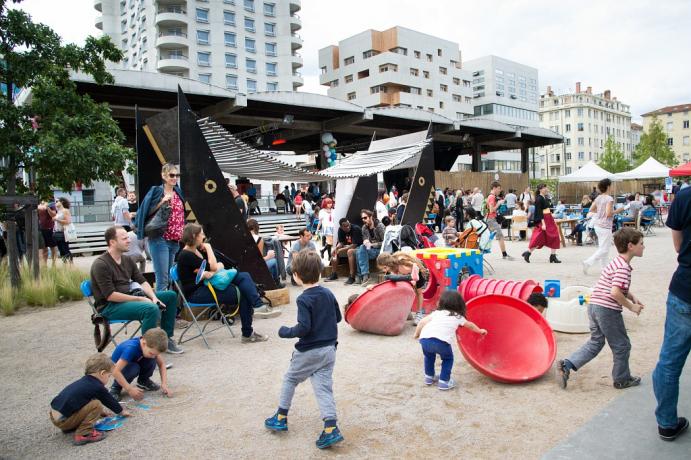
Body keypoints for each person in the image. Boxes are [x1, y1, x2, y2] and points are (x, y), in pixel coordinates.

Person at [264, 250, 344, 449]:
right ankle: (330, 428)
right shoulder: (328, 293)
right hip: (329, 350)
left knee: (290, 378)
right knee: (323, 387)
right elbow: (337, 318)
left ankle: (281, 417)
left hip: (309, 351)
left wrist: (286, 331)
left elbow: (304, 328)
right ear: (319, 272)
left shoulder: (303, 299)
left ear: (297, 276)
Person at [557, 228, 645, 390]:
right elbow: (615, 292)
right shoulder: (624, 267)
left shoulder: (616, 262)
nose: (643, 247)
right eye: (641, 244)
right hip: (607, 310)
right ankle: (622, 379)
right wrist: (631, 306)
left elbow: (615, 285)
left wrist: (632, 296)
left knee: (596, 342)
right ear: (631, 246)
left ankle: (567, 364)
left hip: (594, 305)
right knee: (622, 345)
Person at [90, 226, 182, 354]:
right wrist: (141, 298)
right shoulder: (101, 264)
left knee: (170, 296)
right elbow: (110, 295)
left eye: (128, 237)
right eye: (124, 238)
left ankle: (166, 339)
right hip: (110, 306)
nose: (129, 241)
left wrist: (153, 297)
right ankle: (146, 352)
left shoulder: (127, 259)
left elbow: (142, 281)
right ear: (112, 242)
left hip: (128, 298)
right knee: (150, 308)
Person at [177, 224, 275, 336]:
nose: (203, 236)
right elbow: (214, 266)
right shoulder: (186, 255)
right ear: (194, 236)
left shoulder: (194, 251)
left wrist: (214, 269)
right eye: (201, 234)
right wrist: (209, 248)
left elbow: (215, 267)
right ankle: (249, 330)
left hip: (208, 284)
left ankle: (258, 306)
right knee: (244, 292)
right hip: (197, 293)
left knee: (244, 276)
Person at [652, 185, 691, 441]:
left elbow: (678, 246)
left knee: (669, 361)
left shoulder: (686, 196)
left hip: (685, 289)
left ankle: (666, 422)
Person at [50, 353, 130, 446]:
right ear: (102, 373)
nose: (109, 378)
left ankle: (70, 426)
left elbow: (83, 402)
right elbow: (109, 400)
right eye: (109, 376)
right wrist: (121, 411)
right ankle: (84, 433)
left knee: (92, 403)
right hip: (64, 421)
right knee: (96, 404)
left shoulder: (85, 382)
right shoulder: (97, 386)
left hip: (56, 417)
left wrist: (101, 413)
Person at [414, 290, 487, 390]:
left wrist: (416, 334)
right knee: (448, 359)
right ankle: (444, 381)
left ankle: (429, 377)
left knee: (429, 357)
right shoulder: (457, 316)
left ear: (441, 302)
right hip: (441, 341)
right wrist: (480, 330)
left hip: (425, 339)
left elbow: (422, 322)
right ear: (459, 305)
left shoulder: (436, 313)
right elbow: (469, 325)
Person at [135, 163, 185, 291]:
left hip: (175, 240)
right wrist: (161, 202)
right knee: (162, 280)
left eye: (177, 175)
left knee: (169, 278)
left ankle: (167, 308)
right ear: (163, 175)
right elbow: (144, 212)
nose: (175, 178)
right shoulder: (157, 191)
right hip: (160, 238)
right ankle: (161, 309)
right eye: (172, 175)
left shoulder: (178, 192)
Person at [109, 328, 172, 401]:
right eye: (151, 353)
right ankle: (116, 388)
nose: (153, 356)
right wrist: (130, 389)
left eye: (155, 354)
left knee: (151, 359)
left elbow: (161, 364)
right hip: (119, 367)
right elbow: (115, 371)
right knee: (134, 368)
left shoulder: (150, 346)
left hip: (135, 360)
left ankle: (143, 381)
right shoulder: (131, 349)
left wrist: (164, 384)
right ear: (144, 343)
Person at [582, 178, 625, 274]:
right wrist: (620, 210)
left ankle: (604, 269)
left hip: (598, 225)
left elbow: (591, 209)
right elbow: (609, 214)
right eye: (611, 185)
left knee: (603, 248)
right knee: (604, 249)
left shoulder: (598, 198)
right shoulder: (609, 198)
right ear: (608, 186)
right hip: (605, 226)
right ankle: (588, 262)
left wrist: (600, 212)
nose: (612, 187)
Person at [377, 252, 429, 324]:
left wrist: (414, 279)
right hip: (407, 274)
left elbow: (415, 266)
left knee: (418, 292)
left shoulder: (401, 262)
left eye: (385, 268)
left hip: (418, 271)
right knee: (404, 291)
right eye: (382, 269)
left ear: (388, 263)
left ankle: (419, 313)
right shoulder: (391, 269)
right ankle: (407, 312)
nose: (384, 271)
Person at [522, 184, 561, 264]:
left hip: (548, 218)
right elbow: (539, 212)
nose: (546, 189)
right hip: (544, 220)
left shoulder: (544, 197)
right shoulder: (539, 199)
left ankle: (552, 256)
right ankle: (528, 252)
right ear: (540, 189)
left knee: (554, 236)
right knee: (540, 237)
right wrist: (543, 223)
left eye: (546, 187)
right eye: (544, 188)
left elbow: (547, 208)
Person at [324, 218, 363, 285]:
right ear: (341, 227)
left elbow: (354, 245)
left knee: (350, 251)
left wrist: (341, 250)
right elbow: (341, 242)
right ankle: (334, 274)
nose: (348, 227)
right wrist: (337, 248)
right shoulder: (340, 230)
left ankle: (352, 276)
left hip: (359, 247)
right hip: (347, 247)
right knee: (334, 252)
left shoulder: (355, 228)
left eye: (348, 225)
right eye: (345, 226)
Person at [247, 219, 283, 288]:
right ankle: (276, 282)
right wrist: (268, 256)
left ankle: (271, 283)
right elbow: (259, 260)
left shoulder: (243, 237)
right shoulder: (259, 239)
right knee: (273, 261)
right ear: (256, 227)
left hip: (244, 268)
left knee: (271, 265)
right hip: (254, 268)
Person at [357, 209, 385, 287]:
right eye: (362, 218)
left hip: (380, 250)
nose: (363, 220)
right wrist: (365, 242)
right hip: (371, 250)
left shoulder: (379, 226)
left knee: (360, 250)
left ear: (371, 217)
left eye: (365, 218)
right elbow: (365, 240)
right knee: (360, 249)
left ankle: (362, 276)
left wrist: (372, 245)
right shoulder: (364, 228)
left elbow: (385, 243)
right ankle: (364, 276)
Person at [485, 181, 513, 260]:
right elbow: (491, 210)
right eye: (499, 189)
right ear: (494, 188)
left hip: (491, 219)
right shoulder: (492, 197)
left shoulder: (491, 196)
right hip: (491, 219)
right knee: (500, 236)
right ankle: (504, 255)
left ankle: (504, 254)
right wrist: (499, 203)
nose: (500, 190)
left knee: (497, 236)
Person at [53, 197, 73, 264]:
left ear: (62, 202)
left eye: (57, 201)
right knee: (61, 250)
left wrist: (57, 220)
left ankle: (71, 264)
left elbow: (68, 221)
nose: (55, 203)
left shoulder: (65, 210)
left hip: (63, 233)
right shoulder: (58, 211)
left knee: (65, 249)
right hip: (57, 232)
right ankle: (65, 264)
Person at [38, 200, 57, 266]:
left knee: (53, 247)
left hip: (49, 229)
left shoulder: (51, 204)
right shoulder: (39, 205)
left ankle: (54, 264)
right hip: (41, 229)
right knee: (44, 248)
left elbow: (53, 214)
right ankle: (45, 265)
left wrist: (48, 207)